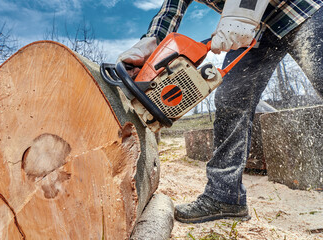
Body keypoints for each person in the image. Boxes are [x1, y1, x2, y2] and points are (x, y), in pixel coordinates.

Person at [117, 0, 323, 223]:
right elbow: (172, 9)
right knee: (231, 98)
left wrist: (242, 12)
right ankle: (225, 195)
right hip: (253, 33)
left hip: (298, 11)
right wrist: (151, 43)